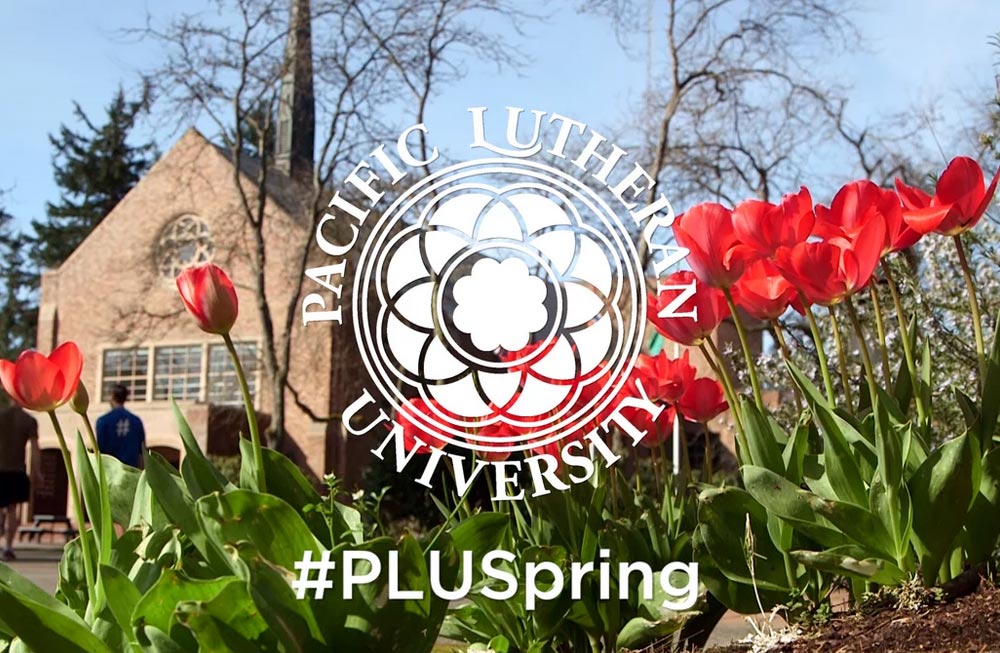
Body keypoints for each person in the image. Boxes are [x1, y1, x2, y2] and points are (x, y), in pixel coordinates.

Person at [0, 400, 40, 561]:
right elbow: (35, 449)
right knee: (12, 510)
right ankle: (8, 546)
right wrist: (37, 471)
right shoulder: (29, 420)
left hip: (0, 469)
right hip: (16, 470)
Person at [96, 384, 146, 468]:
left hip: (111, 471)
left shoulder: (103, 421)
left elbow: (101, 451)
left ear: (112, 396)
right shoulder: (136, 421)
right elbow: (141, 453)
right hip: (131, 471)